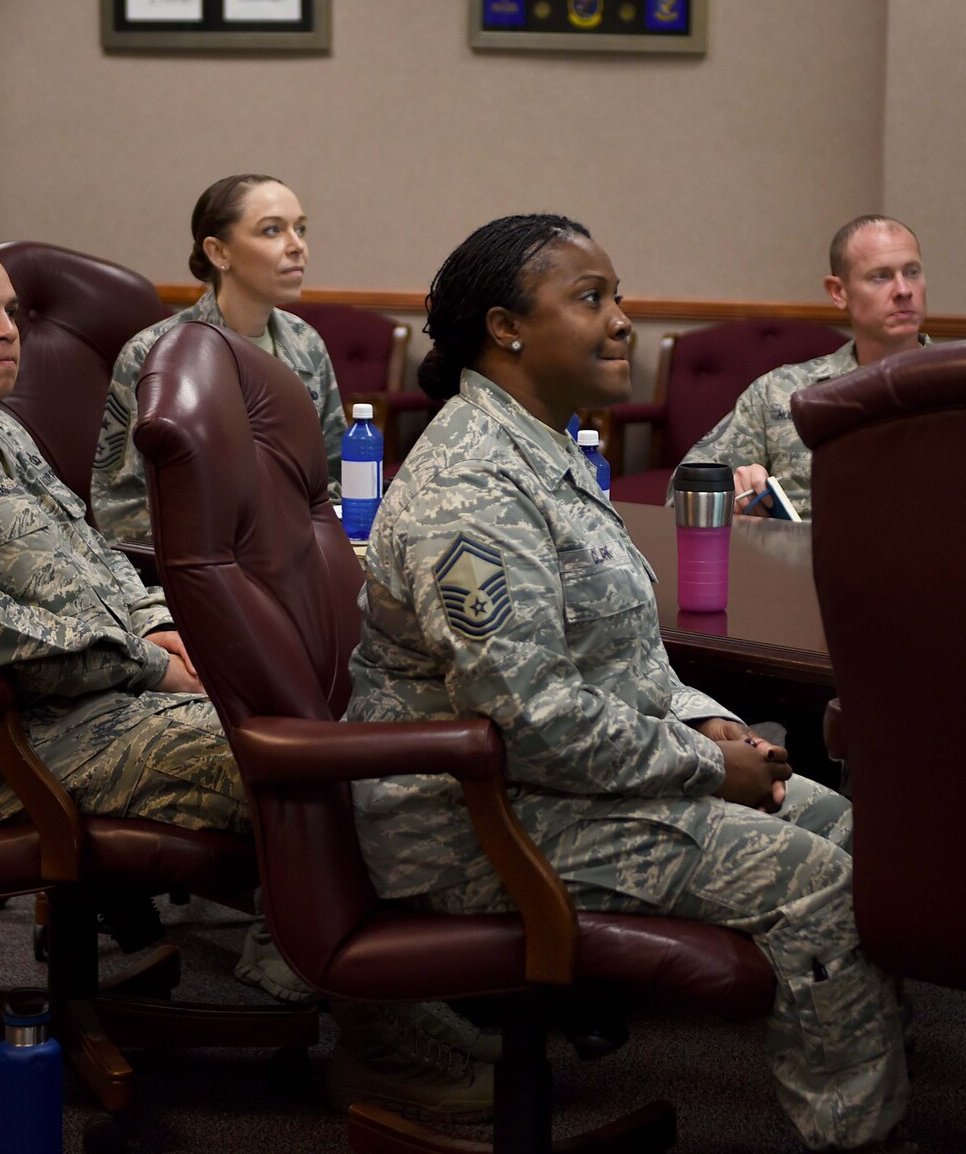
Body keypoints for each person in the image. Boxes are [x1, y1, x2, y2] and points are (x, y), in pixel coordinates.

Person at [0, 241, 494, 1120]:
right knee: (303, 764)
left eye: (11, 310)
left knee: (345, 730)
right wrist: (151, 664)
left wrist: (166, 627)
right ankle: (382, 1044)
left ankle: (380, 992)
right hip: (12, 742)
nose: (8, 331)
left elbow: (97, 559)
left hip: (103, 702)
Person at [346, 214, 913, 1152]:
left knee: (853, 830)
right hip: (479, 819)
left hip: (556, 786)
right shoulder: (473, 487)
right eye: (592, 298)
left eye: (621, 297)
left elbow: (626, 662)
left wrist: (718, 728)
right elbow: (531, 721)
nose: (624, 323)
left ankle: (861, 1086)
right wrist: (701, 766)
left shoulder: (550, 448)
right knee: (816, 883)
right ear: (506, 328)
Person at [92, 173, 345, 539]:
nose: (297, 247)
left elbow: (332, 477)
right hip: (201, 564)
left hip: (299, 554)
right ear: (219, 252)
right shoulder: (155, 353)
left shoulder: (306, 343)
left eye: (301, 230)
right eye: (272, 231)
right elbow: (122, 507)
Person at [672, 215, 931, 516]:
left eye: (912, 272)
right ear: (838, 292)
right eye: (881, 276)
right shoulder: (781, 392)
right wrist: (731, 490)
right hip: (799, 559)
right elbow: (681, 494)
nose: (903, 290)